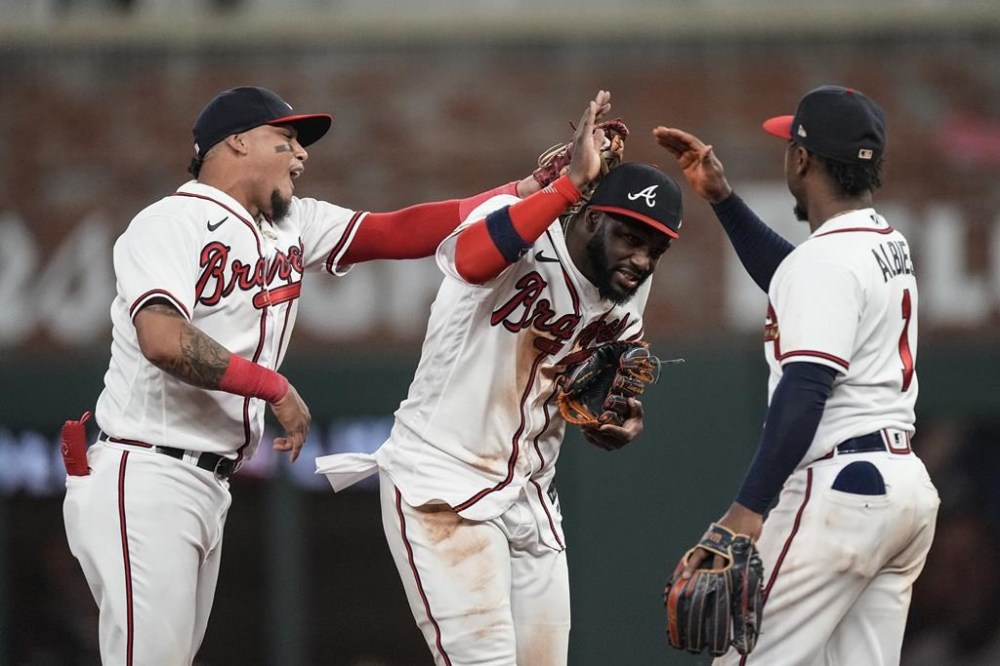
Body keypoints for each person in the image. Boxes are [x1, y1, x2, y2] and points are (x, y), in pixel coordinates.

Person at [61, 85, 552, 665]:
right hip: (144, 472)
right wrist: (274, 386)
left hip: (204, 482)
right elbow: (163, 339)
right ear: (237, 142)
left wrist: (520, 194)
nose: (303, 155)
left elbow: (395, 232)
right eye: (286, 139)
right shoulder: (170, 220)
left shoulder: (289, 222)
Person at [317, 89, 684, 665]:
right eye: (630, 238)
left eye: (655, 249)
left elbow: (606, 382)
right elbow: (468, 260)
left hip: (531, 495)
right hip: (442, 483)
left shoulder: (628, 288)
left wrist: (621, 418)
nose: (641, 259)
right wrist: (564, 185)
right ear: (590, 216)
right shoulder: (519, 231)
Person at [654, 85, 941, 665]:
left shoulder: (825, 262)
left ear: (802, 160)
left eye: (791, 144)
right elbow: (799, 281)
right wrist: (724, 199)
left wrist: (747, 510)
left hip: (841, 494)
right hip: (903, 492)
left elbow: (807, 388)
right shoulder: (886, 243)